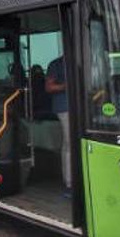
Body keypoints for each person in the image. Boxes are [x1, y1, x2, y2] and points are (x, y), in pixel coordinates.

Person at [45, 55, 71, 197]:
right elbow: (48, 87)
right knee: (69, 144)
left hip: (79, 107)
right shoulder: (56, 64)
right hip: (64, 107)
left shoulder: (83, 56)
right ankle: (69, 182)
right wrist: (66, 86)